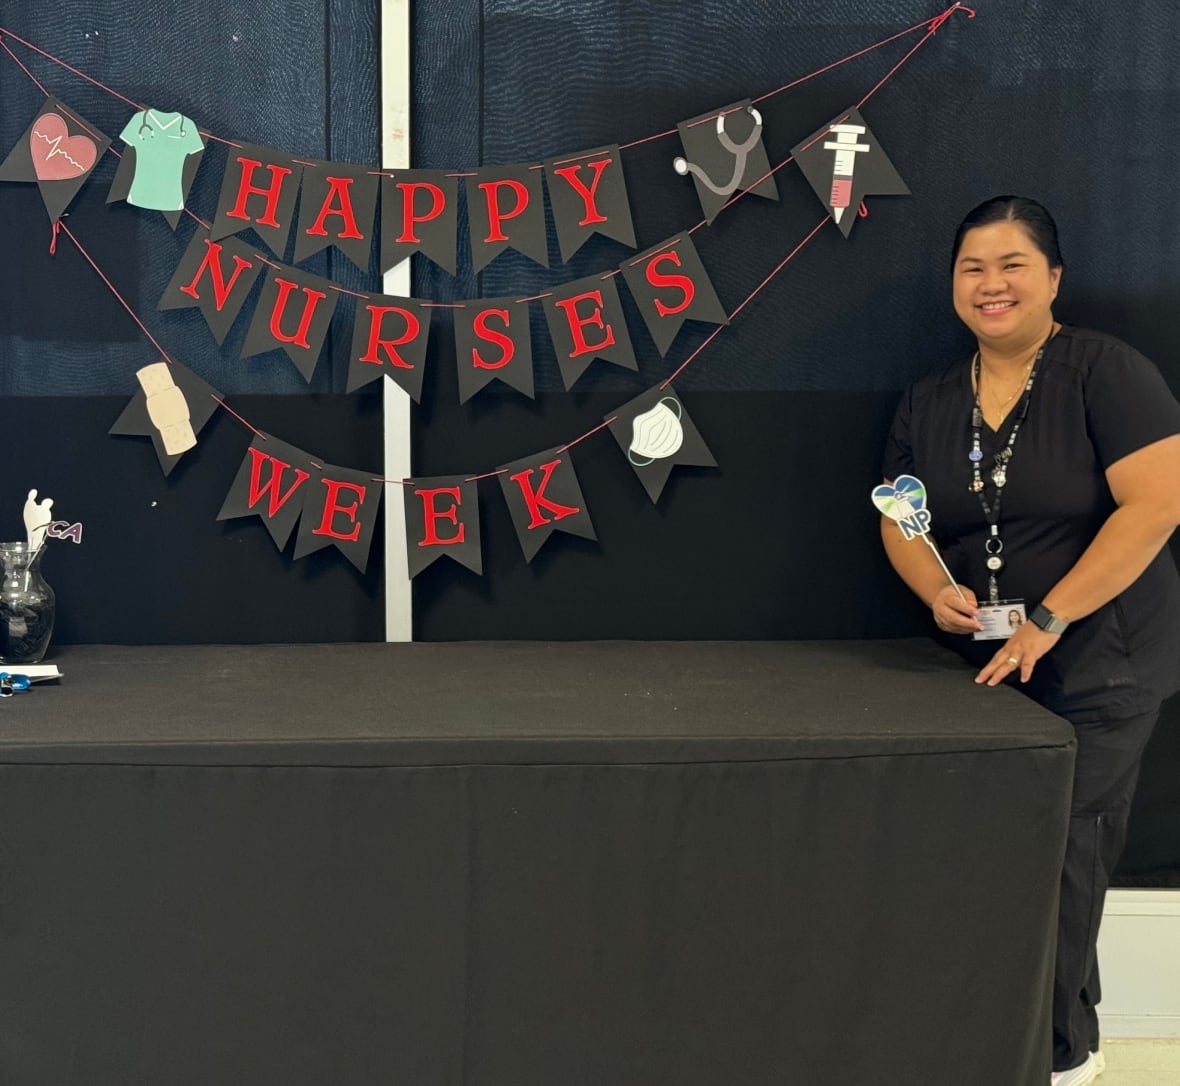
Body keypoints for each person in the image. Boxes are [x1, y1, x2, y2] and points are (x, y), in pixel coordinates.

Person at [879, 195, 1180, 1086]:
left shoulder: (1105, 371)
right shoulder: (930, 401)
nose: (991, 284)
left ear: (1053, 278)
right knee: (997, 854)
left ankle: (1061, 1056)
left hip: (1101, 659)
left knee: (1063, 853)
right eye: (973, 268)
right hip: (986, 670)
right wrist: (936, 589)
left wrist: (1051, 618)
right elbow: (903, 519)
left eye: (1012, 265)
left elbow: (1156, 505)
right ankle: (1002, 1038)